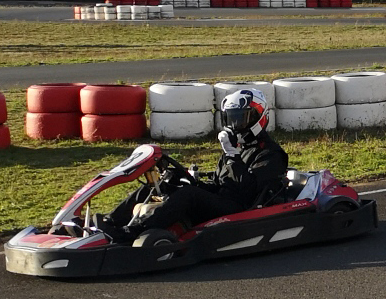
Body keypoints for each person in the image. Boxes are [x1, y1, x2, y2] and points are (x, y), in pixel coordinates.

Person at [103, 88, 290, 242]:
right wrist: (188, 178)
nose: (235, 125)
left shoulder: (271, 153)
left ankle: (134, 232)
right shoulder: (237, 147)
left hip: (241, 207)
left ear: (258, 118)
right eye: (231, 118)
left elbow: (248, 191)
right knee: (162, 185)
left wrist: (233, 157)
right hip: (223, 197)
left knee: (189, 195)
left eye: (241, 118)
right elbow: (220, 182)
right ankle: (109, 222)